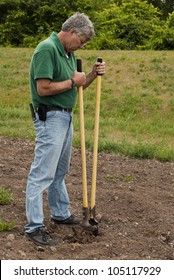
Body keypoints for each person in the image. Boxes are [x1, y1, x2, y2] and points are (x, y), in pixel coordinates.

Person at [25, 12, 106, 246]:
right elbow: (44, 88)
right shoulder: (46, 49)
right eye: (81, 41)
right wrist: (73, 81)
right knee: (42, 174)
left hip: (65, 118)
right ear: (72, 32)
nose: (81, 46)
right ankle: (34, 226)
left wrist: (90, 75)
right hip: (49, 117)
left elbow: (75, 88)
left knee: (60, 172)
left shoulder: (68, 53)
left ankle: (60, 214)